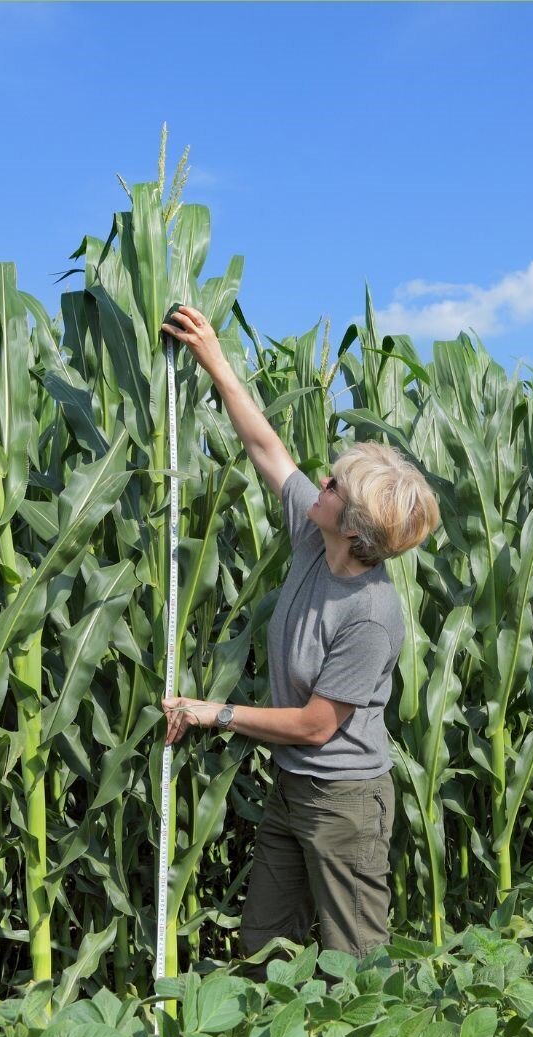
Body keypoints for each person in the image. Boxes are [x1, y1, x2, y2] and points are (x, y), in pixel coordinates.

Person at [158, 304, 440, 960]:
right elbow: (266, 448)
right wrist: (214, 358)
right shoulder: (315, 540)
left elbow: (317, 726)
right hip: (291, 786)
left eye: (335, 486)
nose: (320, 481)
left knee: (355, 961)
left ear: (355, 525)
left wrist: (215, 712)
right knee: (266, 946)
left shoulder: (370, 613)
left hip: (344, 799)